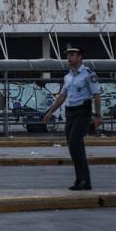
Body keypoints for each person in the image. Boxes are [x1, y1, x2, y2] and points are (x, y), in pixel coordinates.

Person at [43, 44, 102, 190]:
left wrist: (97, 115)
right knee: (73, 146)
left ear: (80, 57)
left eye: (72, 55)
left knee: (75, 144)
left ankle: (83, 180)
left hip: (83, 111)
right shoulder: (68, 77)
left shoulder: (88, 74)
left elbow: (96, 95)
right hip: (70, 112)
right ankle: (82, 180)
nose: (69, 57)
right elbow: (62, 96)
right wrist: (50, 112)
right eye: (68, 55)